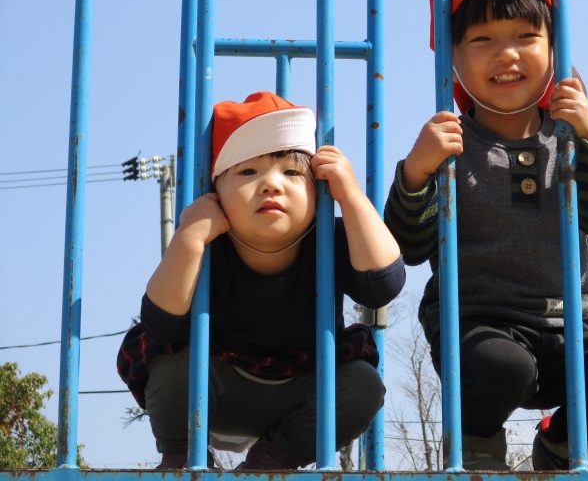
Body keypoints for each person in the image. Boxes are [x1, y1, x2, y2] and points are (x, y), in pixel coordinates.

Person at [384, 0, 588, 471]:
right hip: (476, 332)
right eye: (482, 40)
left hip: (564, 329)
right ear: (452, 59)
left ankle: (559, 439)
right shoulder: (448, 144)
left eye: (526, 37)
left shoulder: (573, 138)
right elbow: (408, 250)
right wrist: (416, 173)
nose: (506, 54)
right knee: (503, 366)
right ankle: (476, 437)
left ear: (554, 49)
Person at [117, 91, 405, 470]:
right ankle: (184, 457)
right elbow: (160, 323)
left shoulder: (329, 239)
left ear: (318, 190)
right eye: (248, 171)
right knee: (171, 364)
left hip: (302, 392)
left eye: (291, 172)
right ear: (215, 190)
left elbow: (384, 284)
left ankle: (270, 462)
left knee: (363, 384)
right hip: (214, 386)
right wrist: (187, 236)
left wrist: (350, 196)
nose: (271, 184)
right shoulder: (208, 244)